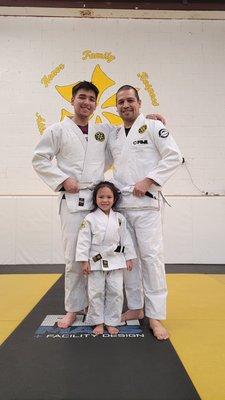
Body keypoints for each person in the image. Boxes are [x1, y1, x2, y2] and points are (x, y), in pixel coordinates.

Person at [32, 80, 164, 329]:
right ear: (72, 100)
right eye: (82, 97)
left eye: (92, 99)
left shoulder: (102, 130)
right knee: (74, 258)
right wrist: (62, 179)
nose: (87, 103)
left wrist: (149, 123)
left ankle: (100, 305)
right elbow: (39, 158)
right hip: (72, 199)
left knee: (104, 256)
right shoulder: (57, 130)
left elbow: (126, 135)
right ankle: (73, 309)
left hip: (100, 202)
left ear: (96, 104)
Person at [108, 85, 183, 340]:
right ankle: (136, 307)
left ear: (139, 103)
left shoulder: (153, 128)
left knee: (151, 259)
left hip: (146, 204)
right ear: (116, 107)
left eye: (130, 100)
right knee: (128, 260)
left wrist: (149, 180)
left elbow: (173, 156)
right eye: (121, 102)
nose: (125, 105)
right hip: (121, 206)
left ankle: (155, 316)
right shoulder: (115, 135)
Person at [76, 181, 136, 335]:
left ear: (114, 199)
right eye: (101, 196)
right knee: (96, 291)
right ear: (95, 199)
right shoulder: (90, 218)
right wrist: (84, 261)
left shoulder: (120, 218)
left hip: (116, 259)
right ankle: (98, 322)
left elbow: (126, 238)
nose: (105, 200)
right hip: (95, 260)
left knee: (116, 291)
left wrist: (128, 257)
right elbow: (83, 241)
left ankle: (112, 321)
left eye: (109, 196)